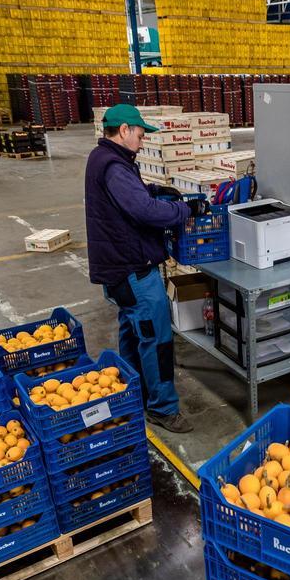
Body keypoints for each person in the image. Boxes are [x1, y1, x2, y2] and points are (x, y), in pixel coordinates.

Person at [84, 104, 209, 434]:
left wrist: (155, 191)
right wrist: (184, 209)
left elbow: (129, 199)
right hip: (133, 270)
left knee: (133, 331)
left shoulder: (107, 160)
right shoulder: (113, 165)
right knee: (157, 339)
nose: (142, 141)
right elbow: (143, 212)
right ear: (124, 130)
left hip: (116, 271)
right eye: (140, 134)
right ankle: (163, 408)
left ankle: (133, 393)